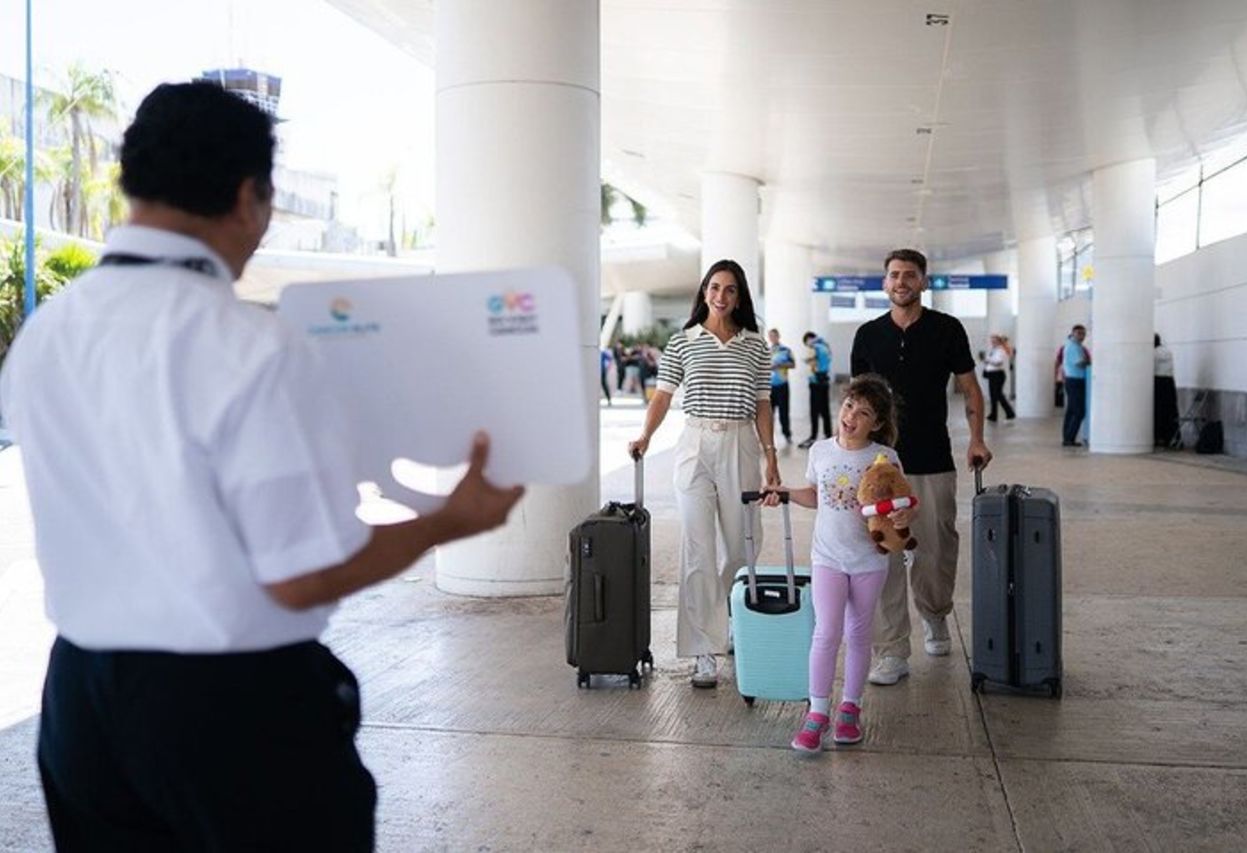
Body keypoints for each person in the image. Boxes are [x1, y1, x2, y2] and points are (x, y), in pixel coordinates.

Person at [0, 82, 525, 852]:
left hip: (80, 703)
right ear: (249, 196)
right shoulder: (249, 344)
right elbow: (302, 575)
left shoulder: (47, 335)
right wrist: (448, 520)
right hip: (227, 710)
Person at [628, 259, 779, 688]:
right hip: (695, 446)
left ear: (740, 296)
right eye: (714, 287)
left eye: (730, 289)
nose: (720, 296)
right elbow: (662, 396)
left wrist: (770, 456)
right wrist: (645, 436)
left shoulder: (755, 346)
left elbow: (763, 403)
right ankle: (703, 650)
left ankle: (728, 618)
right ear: (704, 292)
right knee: (697, 549)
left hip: (740, 444)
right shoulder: (683, 341)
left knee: (742, 545)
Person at [849, 248, 991, 686]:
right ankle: (892, 650)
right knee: (885, 554)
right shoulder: (868, 335)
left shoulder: (947, 329)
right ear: (885, 283)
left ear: (924, 282)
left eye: (910, 275)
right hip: (879, 465)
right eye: (894, 275)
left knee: (935, 549)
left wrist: (977, 439)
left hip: (932, 458)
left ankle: (934, 614)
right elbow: (856, 402)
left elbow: (970, 389)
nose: (901, 282)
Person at [763, 375, 915, 754]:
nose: (851, 417)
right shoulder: (820, 451)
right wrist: (785, 493)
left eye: (863, 413)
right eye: (849, 406)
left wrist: (903, 517)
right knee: (826, 632)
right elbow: (816, 495)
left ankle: (850, 709)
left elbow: (902, 503)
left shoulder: (885, 458)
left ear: (877, 424)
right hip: (828, 558)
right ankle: (817, 713)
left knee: (859, 635)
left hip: (868, 562)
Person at [798, 331, 833, 448]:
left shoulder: (814, 347)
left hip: (816, 382)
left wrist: (807, 361)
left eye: (806, 342)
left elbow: (812, 361)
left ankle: (813, 437)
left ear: (809, 339)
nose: (807, 345)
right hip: (824, 381)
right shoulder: (825, 346)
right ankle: (828, 435)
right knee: (825, 410)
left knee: (814, 411)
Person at [1062, 324, 1091, 447]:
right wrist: (1090, 362)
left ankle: (1067, 437)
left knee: (1071, 411)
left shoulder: (1077, 346)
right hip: (1075, 381)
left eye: (1083, 334)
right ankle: (1069, 438)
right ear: (1073, 333)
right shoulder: (1072, 346)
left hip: (1073, 380)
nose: (1082, 336)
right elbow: (1079, 363)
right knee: (1079, 411)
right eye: (1079, 333)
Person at [767, 328, 796, 445]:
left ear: (778, 336)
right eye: (770, 336)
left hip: (782, 385)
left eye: (774, 335)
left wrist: (780, 365)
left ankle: (787, 434)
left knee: (784, 412)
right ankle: (768, 437)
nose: (772, 338)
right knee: (769, 414)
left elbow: (793, 364)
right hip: (769, 387)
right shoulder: (767, 351)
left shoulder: (786, 350)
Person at [981, 333, 1016, 422]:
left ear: (999, 341)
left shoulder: (1001, 350)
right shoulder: (994, 350)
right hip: (993, 375)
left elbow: (998, 362)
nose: (992, 342)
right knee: (994, 395)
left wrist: (987, 360)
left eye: (994, 340)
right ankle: (993, 415)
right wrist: (986, 360)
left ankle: (1010, 413)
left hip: (997, 375)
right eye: (992, 340)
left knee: (998, 395)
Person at [1153, 333, 1179, 447]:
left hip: (1158, 382)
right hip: (1169, 381)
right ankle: (1171, 437)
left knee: (1158, 411)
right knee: (1170, 410)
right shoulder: (1168, 351)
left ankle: (1158, 437)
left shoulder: (1153, 353)